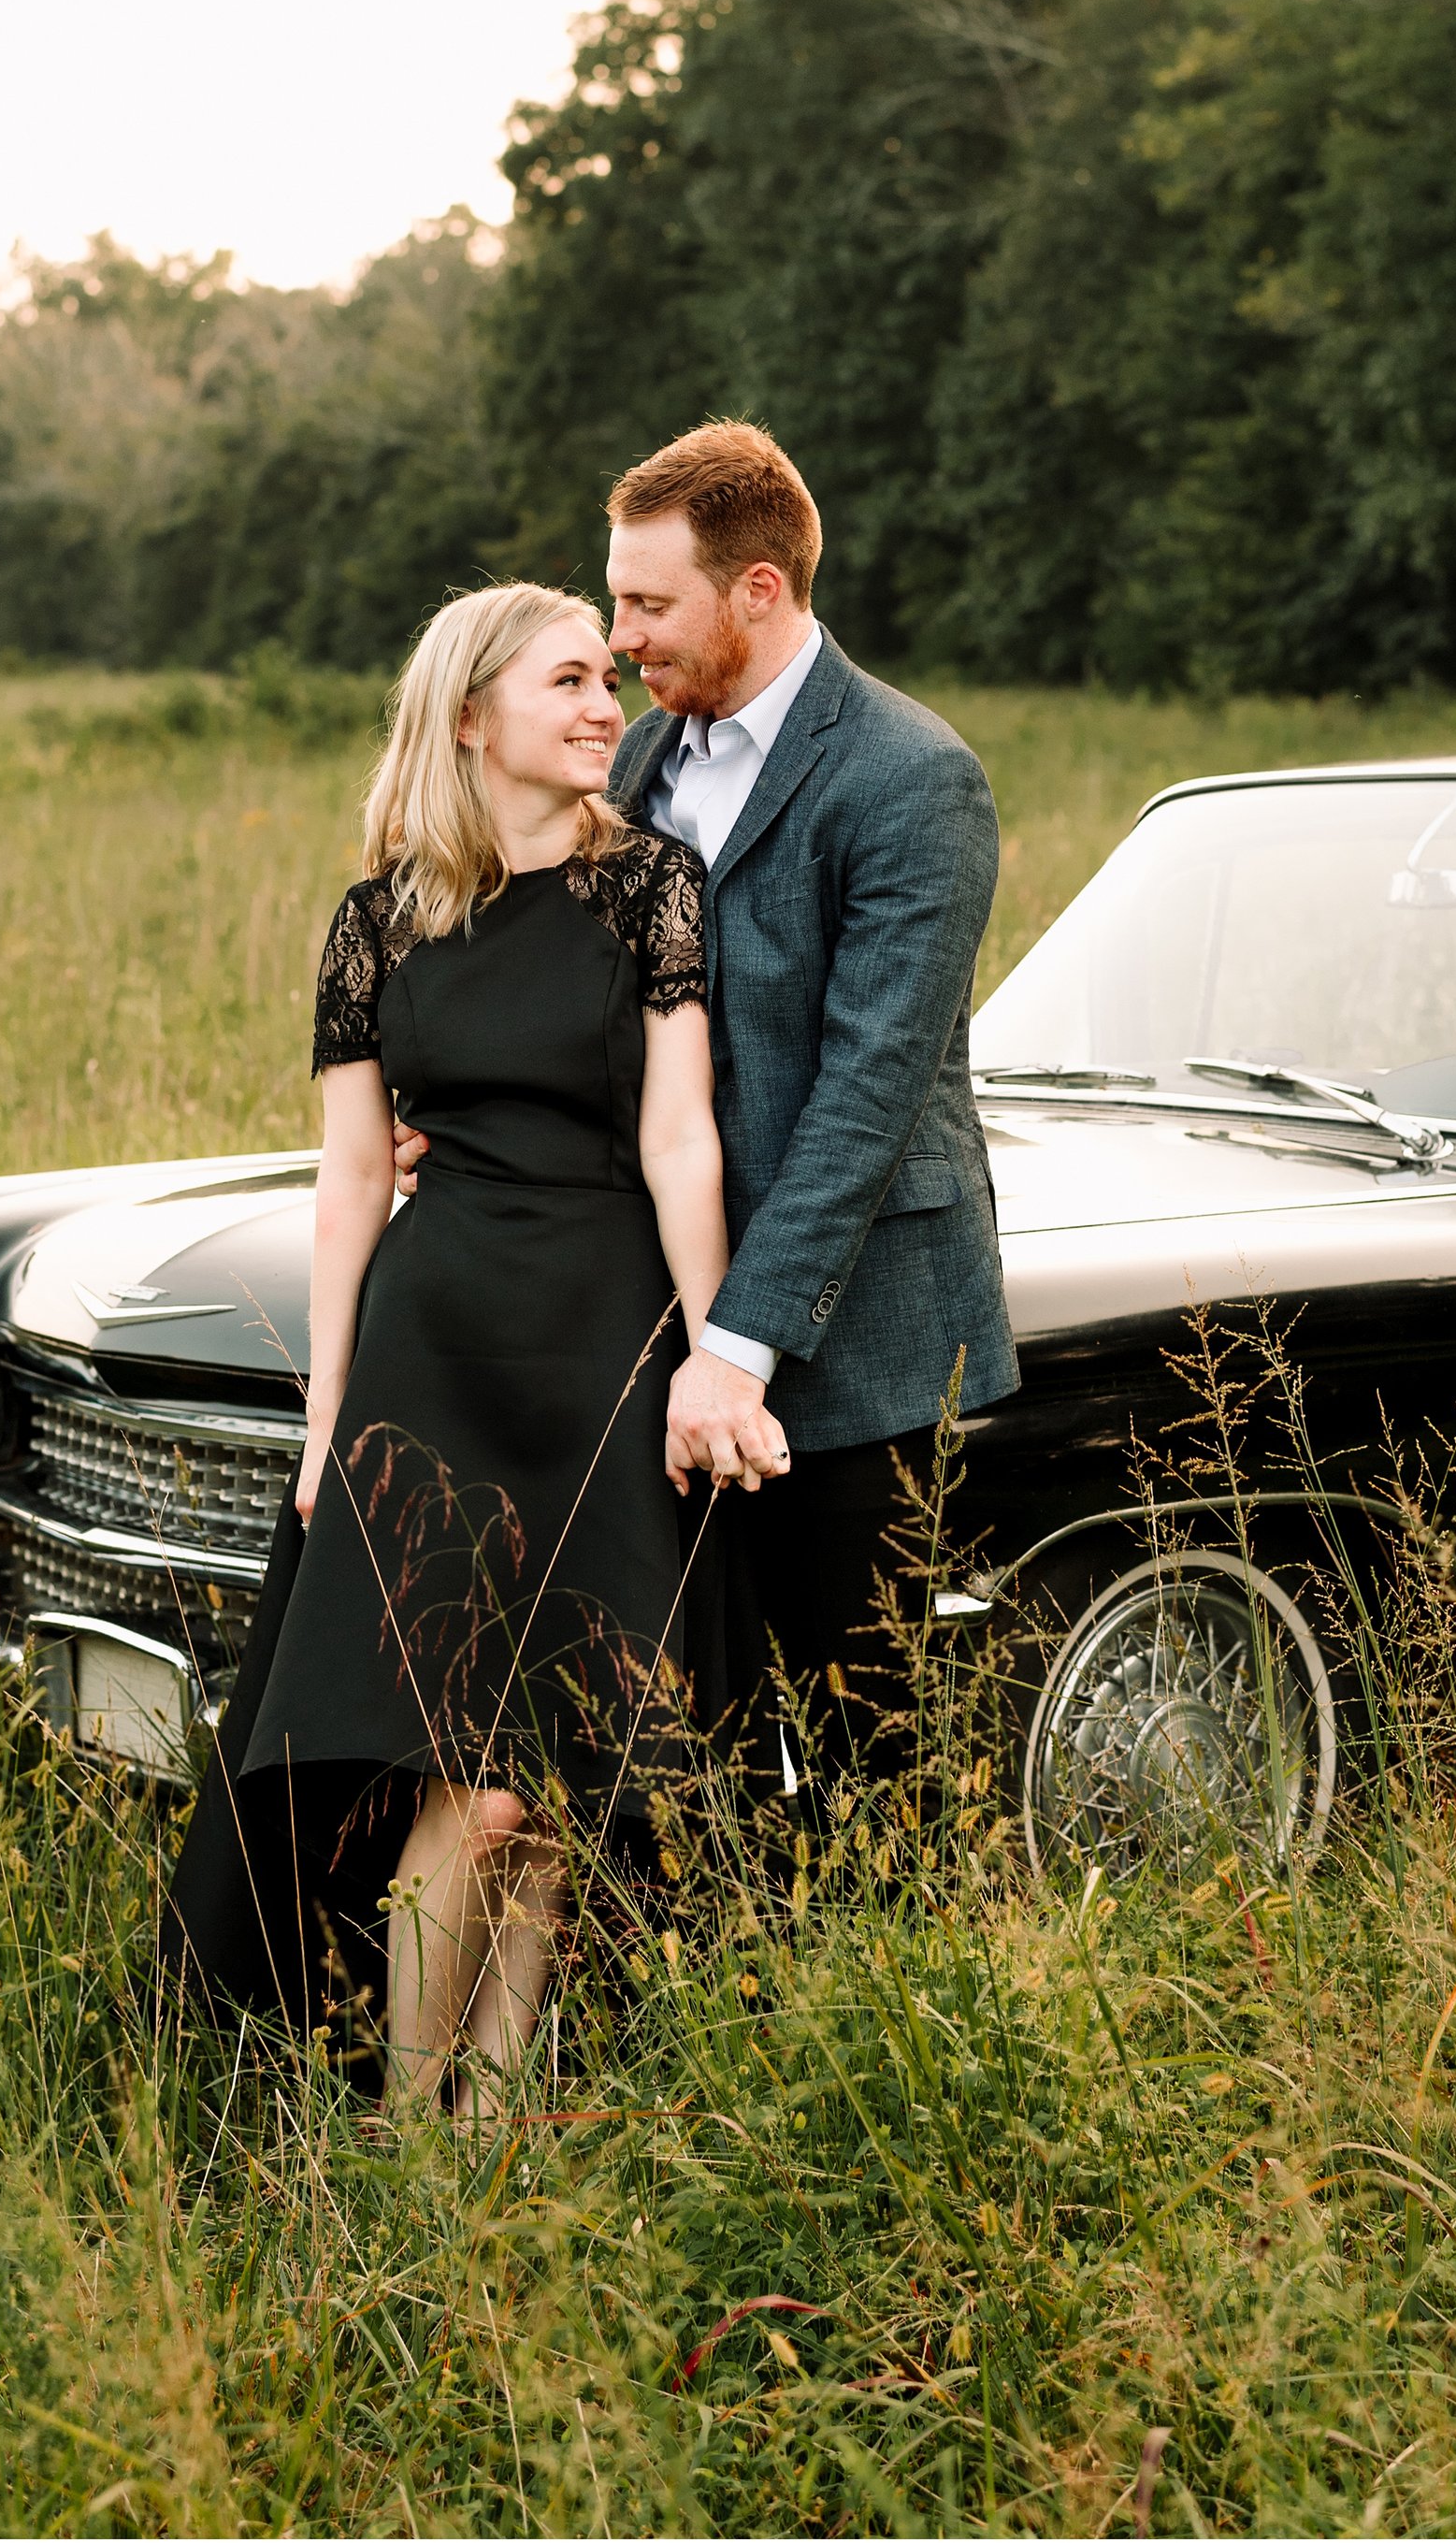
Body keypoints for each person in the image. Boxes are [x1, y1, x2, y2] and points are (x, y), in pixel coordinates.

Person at [162, 582, 742, 2112]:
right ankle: (408, 2142)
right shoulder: (379, 919)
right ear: (473, 715)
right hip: (437, 1360)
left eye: (608, 678)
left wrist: (711, 1346)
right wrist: (329, 1405)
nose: (605, 703)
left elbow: (681, 1139)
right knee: (460, 1786)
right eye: (569, 680)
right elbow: (352, 1179)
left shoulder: (653, 891)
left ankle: (491, 2138)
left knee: (548, 1786)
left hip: (604, 1354)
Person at [396, 422, 1017, 1781]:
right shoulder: (630, 765)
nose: (618, 641)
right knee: (688, 1733)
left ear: (758, 590)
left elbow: (867, 1099)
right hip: (643, 1322)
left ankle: (885, 1991)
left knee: (870, 1751)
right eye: (615, 603)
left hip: (855, 1344)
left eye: (647, 603)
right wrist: (450, 1111)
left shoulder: (914, 781)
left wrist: (736, 1346)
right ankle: (717, 1987)